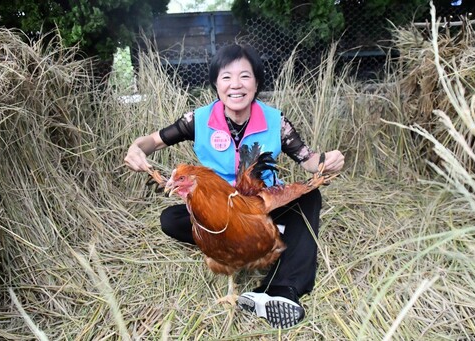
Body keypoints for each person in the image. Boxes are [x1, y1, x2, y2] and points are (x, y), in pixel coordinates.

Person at [124, 44, 344, 329]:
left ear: (256, 83)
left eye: (245, 76)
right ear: (216, 84)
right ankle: (259, 242)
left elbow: (309, 160)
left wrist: (329, 160)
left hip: (261, 207)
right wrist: (135, 149)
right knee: (171, 220)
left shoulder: (276, 121)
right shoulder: (198, 120)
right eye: (226, 77)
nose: (236, 85)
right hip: (222, 215)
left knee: (310, 198)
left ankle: (282, 289)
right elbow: (151, 141)